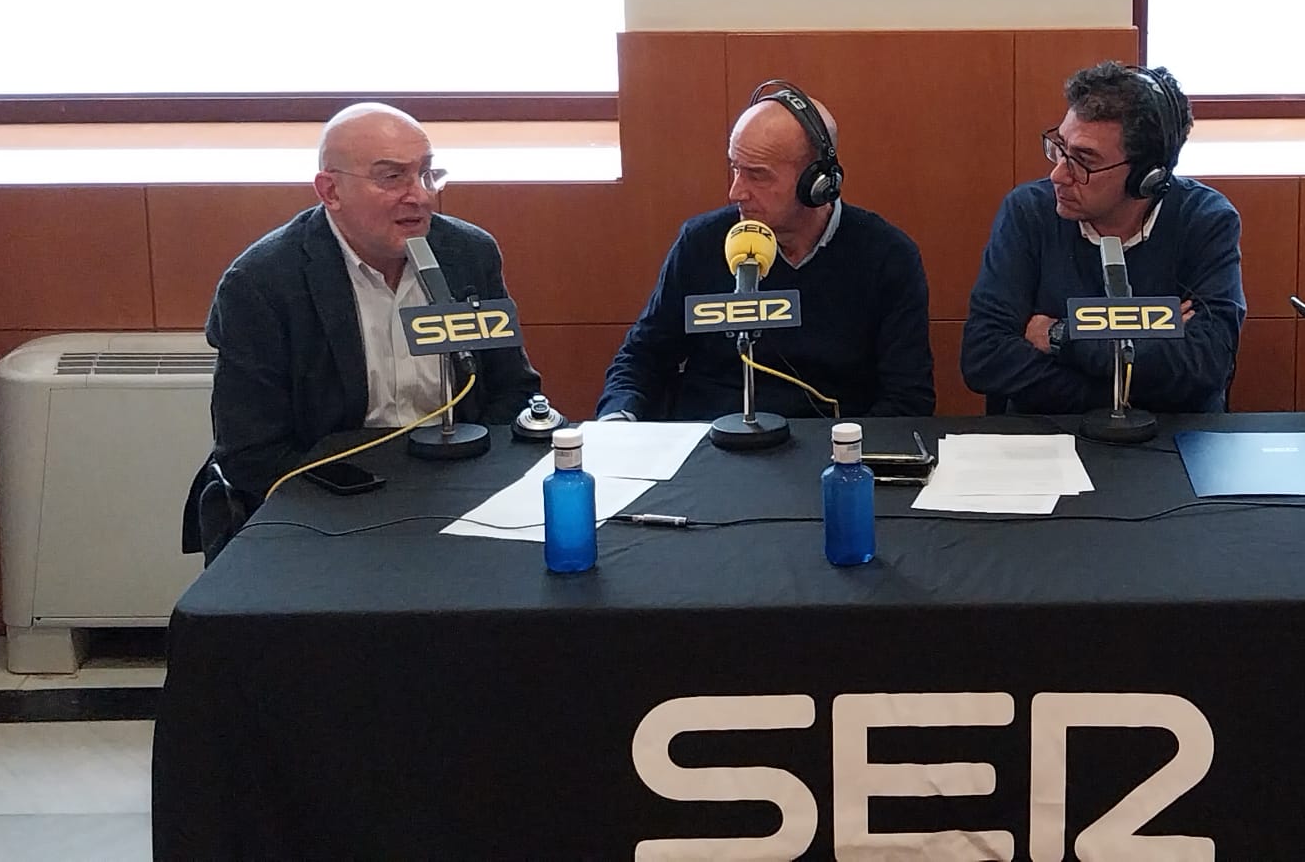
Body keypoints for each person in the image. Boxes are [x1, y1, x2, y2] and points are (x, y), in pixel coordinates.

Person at [184, 102, 542, 552]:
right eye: (392, 177)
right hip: (328, 507)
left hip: (459, 491)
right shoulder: (263, 284)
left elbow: (516, 392)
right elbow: (250, 452)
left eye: (427, 174)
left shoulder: (467, 254)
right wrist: (373, 507)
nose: (421, 196)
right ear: (330, 191)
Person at [596, 80, 934, 420]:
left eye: (757, 175)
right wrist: (619, 419)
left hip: (830, 449)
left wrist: (848, 456)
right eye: (735, 168)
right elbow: (642, 357)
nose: (736, 192)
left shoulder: (887, 256)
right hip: (711, 445)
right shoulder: (701, 241)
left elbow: (907, 398)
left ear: (817, 183)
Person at [962, 61, 1245, 414]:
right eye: (1060, 147)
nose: (1058, 175)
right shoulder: (1029, 212)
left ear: (1147, 176)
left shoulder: (1205, 221)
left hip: (1168, 443)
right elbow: (985, 357)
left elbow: (1205, 365)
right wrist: (1126, 396)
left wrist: (1060, 337)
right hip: (1048, 441)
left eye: (1084, 160)